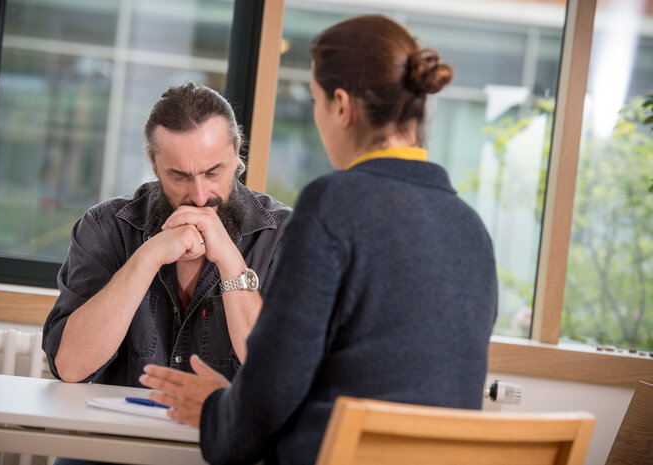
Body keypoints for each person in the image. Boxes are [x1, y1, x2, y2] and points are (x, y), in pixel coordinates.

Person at [140, 14, 498, 465]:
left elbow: (271, 392)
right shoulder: (472, 230)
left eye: (314, 100)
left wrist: (215, 408)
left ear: (342, 106)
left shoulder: (333, 204)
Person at [42, 82, 292, 388]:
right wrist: (148, 257)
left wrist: (230, 262)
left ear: (237, 150)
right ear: (153, 163)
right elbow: (70, 366)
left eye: (213, 172)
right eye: (180, 176)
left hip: (228, 435)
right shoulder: (104, 228)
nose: (200, 197)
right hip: (119, 436)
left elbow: (280, 374)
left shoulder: (283, 235)